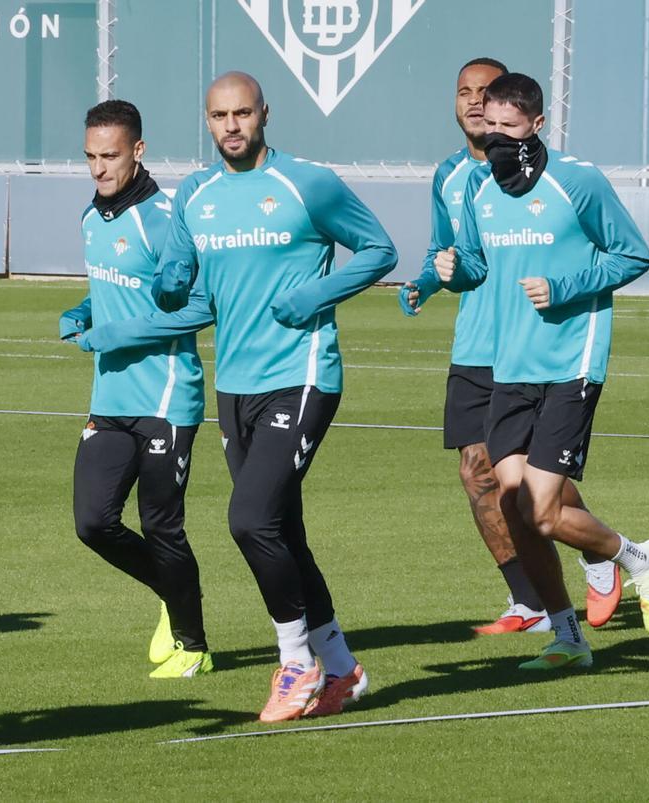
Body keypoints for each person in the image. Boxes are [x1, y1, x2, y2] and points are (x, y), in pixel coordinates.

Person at [152, 72, 397, 720]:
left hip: (304, 374)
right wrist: (167, 289)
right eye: (218, 116)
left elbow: (379, 248)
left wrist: (314, 295)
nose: (230, 125)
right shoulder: (195, 195)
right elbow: (190, 290)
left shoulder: (307, 183)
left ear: (264, 113)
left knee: (249, 518)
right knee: (282, 529)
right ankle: (343, 670)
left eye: (241, 113)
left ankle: (296, 663)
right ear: (206, 121)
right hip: (235, 386)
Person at [434, 72, 649, 670]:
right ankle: (568, 637)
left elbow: (633, 254)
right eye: (489, 129)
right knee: (515, 507)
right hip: (509, 365)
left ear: (537, 126)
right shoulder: (478, 190)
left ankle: (637, 558)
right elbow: (478, 266)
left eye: (508, 129)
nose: (496, 141)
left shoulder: (579, 182)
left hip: (571, 362)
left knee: (542, 510)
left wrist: (563, 287)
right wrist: (451, 270)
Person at [401, 59, 623, 634]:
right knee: (479, 474)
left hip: (535, 345)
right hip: (477, 344)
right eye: (465, 93)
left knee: (526, 489)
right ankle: (532, 602)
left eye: (487, 96)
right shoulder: (454, 178)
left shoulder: (566, 180)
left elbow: (626, 253)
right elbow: (448, 252)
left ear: (523, 115)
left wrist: (563, 289)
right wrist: (428, 281)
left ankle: (599, 550)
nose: (476, 105)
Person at [59, 100, 212, 679]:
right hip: (111, 399)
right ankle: (173, 594)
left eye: (110, 156)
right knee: (92, 523)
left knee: (161, 525)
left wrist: (116, 332)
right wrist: (81, 311)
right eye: (90, 157)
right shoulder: (90, 219)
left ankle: (194, 643)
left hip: (166, 399)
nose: (98, 169)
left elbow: (200, 307)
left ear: (138, 152)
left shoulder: (167, 219)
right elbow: (112, 292)